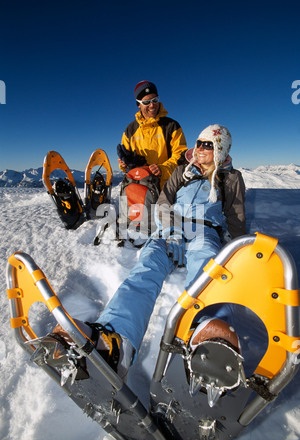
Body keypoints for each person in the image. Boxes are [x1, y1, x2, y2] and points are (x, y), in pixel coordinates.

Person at [54, 124, 246, 380]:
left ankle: (207, 336)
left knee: (205, 269)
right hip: (169, 231)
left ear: (220, 148)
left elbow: (236, 217)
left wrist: (238, 249)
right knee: (145, 270)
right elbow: (164, 202)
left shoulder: (231, 178)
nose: (199, 149)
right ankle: (115, 340)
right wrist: (172, 229)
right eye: (199, 143)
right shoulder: (182, 172)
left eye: (207, 145)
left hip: (204, 231)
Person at [117, 81, 188, 188]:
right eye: (146, 102)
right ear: (139, 104)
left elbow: (181, 155)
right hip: (139, 187)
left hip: (166, 187)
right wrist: (124, 164)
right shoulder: (130, 130)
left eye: (155, 100)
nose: (152, 105)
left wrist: (163, 169)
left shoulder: (171, 126)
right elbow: (126, 162)